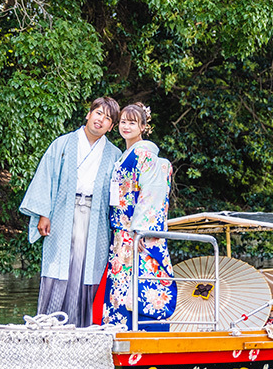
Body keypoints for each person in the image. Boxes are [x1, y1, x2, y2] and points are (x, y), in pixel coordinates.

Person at [19, 97, 122, 327]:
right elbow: (47, 177)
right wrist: (44, 213)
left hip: (96, 219)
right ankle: (49, 324)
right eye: (98, 114)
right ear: (88, 114)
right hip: (62, 214)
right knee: (59, 264)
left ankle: (85, 326)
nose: (100, 120)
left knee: (89, 269)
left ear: (111, 127)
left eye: (107, 119)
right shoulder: (63, 144)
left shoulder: (114, 155)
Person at [102, 102, 176, 330]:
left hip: (137, 234)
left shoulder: (144, 154)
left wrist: (142, 230)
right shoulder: (126, 155)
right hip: (122, 234)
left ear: (143, 126)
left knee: (140, 285)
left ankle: (139, 333)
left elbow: (152, 193)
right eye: (123, 121)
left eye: (132, 122)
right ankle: (119, 332)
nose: (126, 126)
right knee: (122, 285)